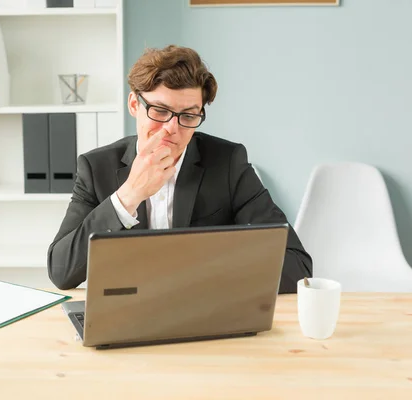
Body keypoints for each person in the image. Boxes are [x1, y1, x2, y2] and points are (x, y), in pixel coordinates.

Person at [47, 45, 312, 293]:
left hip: (205, 312)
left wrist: (202, 272)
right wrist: (127, 196)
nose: (172, 128)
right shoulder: (96, 168)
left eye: (188, 115)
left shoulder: (228, 163)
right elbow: (62, 271)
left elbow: (296, 266)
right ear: (133, 105)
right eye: (160, 111)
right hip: (127, 316)